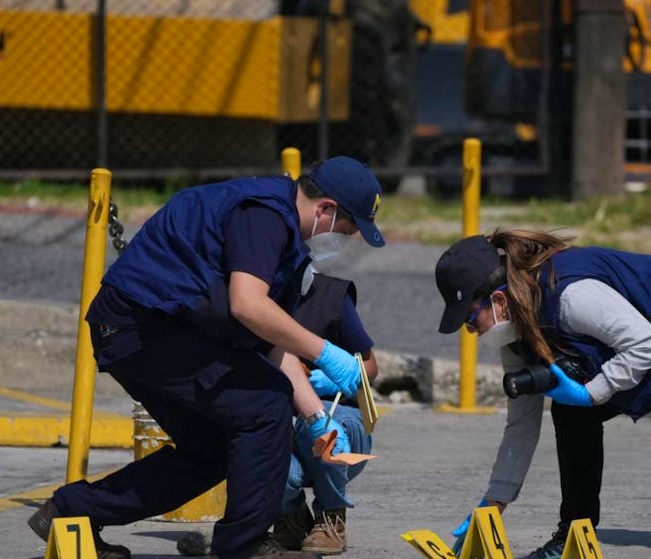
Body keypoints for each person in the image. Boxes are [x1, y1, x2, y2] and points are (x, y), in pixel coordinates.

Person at [26, 155, 386, 559]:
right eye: (347, 230)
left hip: (150, 329)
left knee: (212, 450)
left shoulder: (285, 239)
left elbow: (268, 341)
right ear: (326, 209)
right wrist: (325, 352)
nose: (345, 240)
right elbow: (247, 305)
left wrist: (316, 418)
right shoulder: (264, 215)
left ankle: (72, 511)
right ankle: (244, 546)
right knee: (266, 404)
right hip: (140, 326)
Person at [436, 231, 651, 559]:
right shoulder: (515, 334)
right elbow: (521, 424)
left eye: (470, 320)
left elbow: (646, 345)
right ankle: (574, 537)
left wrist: (591, 393)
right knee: (570, 412)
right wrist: (494, 502)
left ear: (499, 301)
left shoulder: (571, 297)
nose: (471, 332)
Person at [273, 273, 377, 555]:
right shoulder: (247, 298)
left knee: (327, 426)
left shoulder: (331, 297)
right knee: (255, 437)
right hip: (280, 420)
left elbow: (370, 367)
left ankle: (332, 516)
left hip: (337, 421)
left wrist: (329, 380)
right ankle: (290, 516)